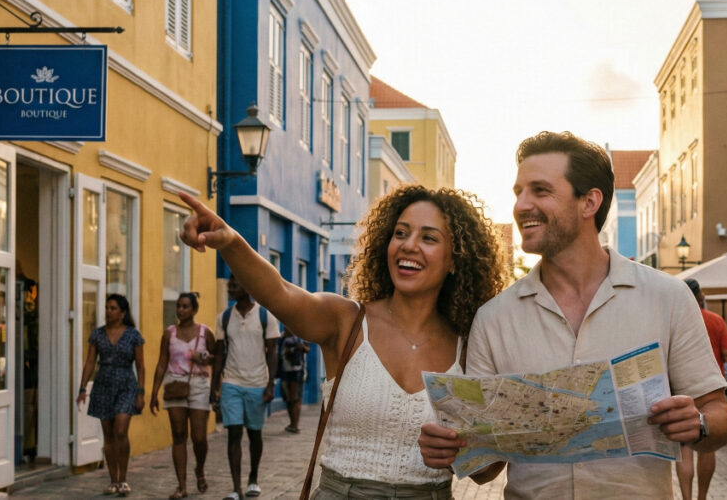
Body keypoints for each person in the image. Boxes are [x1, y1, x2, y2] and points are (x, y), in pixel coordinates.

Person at [418, 131, 727, 497]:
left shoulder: (668, 297)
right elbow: (487, 470)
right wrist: (454, 447)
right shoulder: (494, 318)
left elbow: (717, 413)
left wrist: (700, 425)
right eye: (518, 192)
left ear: (589, 202)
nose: (521, 205)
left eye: (540, 190)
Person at [178, 185, 504, 500]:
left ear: (455, 259)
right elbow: (280, 292)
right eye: (400, 233)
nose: (408, 245)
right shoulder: (345, 320)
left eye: (429, 238)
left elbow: (486, 471)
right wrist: (231, 241)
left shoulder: (471, 345)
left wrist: (460, 450)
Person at [676, 279, 727, 500]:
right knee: (707, 447)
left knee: (684, 447)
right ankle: (702, 498)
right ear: (701, 297)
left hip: (680, 386)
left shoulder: (676, 321)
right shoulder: (714, 321)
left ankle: (687, 498)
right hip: (710, 389)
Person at [210, 275, 281, 499]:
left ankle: (253, 478)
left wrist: (271, 384)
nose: (230, 288)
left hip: (257, 383)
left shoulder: (264, 316)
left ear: (247, 286)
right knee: (233, 433)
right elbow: (219, 354)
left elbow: (273, 353)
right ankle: (236, 488)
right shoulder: (223, 318)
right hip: (232, 382)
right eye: (230, 285)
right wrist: (216, 387)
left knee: (254, 434)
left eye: (235, 284)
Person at [76, 294, 145, 497]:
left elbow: (140, 366)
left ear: (123, 313)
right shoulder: (97, 334)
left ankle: (124, 479)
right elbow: (90, 362)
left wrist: (141, 392)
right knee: (108, 434)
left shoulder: (133, 335)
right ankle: (113, 480)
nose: (108, 311)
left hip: (126, 384)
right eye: (107, 307)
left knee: (121, 430)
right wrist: (82, 388)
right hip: (103, 384)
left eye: (113, 308)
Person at [150, 292, 216, 499]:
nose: (180, 310)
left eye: (185, 306)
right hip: (175, 384)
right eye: (179, 306)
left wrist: (203, 357)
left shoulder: (206, 332)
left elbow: (216, 359)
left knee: (198, 437)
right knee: (178, 435)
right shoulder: (169, 333)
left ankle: (200, 469)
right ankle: (182, 485)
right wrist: (154, 391)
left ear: (195, 310)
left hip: (199, 385)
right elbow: (162, 363)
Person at [278, 327, 309, 434]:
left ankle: (295, 425)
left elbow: (307, 349)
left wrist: (299, 347)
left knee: (295, 398)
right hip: (284, 371)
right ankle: (292, 423)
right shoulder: (281, 337)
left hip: (297, 371)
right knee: (288, 398)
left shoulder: (300, 335)